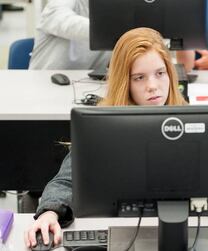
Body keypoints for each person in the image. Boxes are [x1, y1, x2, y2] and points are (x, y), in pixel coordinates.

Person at [24, 27, 186, 248]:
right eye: (139, 78)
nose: (153, 86)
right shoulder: (101, 127)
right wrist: (50, 213)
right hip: (120, 232)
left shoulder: (189, 122)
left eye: (160, 73)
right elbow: (66, 181)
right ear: (125, 82)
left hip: (174, 232)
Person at [29, 0, 110, 70]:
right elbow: (61, 21)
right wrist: (111, 29)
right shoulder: (60, 4)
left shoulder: (113, 9)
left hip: (88, 84)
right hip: (43, 81)